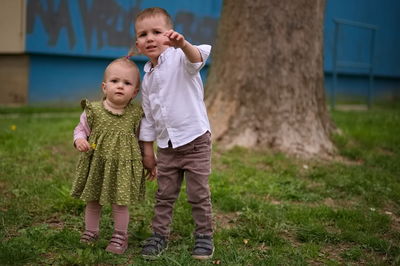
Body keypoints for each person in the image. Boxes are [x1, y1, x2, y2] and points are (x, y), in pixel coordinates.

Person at [135, 7, 214, 260]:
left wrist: (183, 44)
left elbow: (199, 57)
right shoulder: (146, 78)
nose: (149, 38)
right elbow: (147, 118)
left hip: (195, 142)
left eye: (156, 32)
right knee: (164, 195)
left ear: (169, 35)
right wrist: (148, 152)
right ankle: (159, 235)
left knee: (198, 193)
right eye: (143, 34)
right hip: (167, 148)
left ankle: (204, 236)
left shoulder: (181, 58)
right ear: (137, 44)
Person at [71, 57, 147, 255]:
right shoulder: (93, 110)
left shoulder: (135, 114)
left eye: (127, 83)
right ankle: (91, 231)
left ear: (135, 92)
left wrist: (148, 159)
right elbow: (80, 130)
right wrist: (79, 140)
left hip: (122, 166)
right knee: (93, 200)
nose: (120, 86)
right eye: (115, 81)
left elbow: (142, 139)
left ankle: (120, 235)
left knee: (120, 202)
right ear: (104, 87)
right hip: (97, 162)